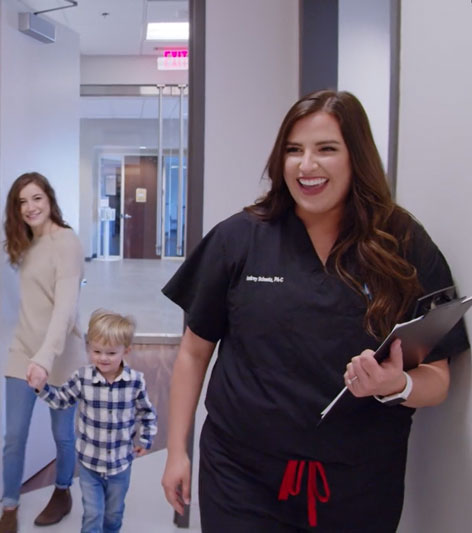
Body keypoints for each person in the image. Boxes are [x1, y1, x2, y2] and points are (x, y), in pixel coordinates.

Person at [160, 90, 470, 532]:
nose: (306, 166)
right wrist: (177, 450)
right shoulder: (240, 238)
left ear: (356, 158)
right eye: (293, 150)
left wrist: (395, 384)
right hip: (240, 476)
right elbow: (193, 353)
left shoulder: (402, 244)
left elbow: (438, 378)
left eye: (326, 149)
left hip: (359, 484)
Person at [0, 172, 88, 533]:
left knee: (63, 436)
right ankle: (10, 507)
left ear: (49, 200)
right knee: (14, 435)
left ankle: (62, 491)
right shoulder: (24, 244)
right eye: (22, 201)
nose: (30, 207)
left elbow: (65, 310)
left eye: (36, 198)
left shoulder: (67, 243)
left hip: (60, 356)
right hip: (23, 350)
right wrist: (32, 357)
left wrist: (44, 360)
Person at [31, 309, 158, 533]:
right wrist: (42, 388)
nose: (102, 358)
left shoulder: (135, 382)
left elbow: (147, 413)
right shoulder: (82, 378)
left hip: (121, 464)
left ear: (125, 351)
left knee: (113, 514)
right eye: (96, 351)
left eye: (110, 353)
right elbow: (61, 401)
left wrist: (145, 440)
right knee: (93, 513)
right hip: (90, 465)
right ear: (89, 347)